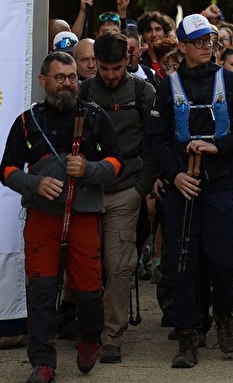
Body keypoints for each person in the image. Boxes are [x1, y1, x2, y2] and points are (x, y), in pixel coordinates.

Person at [0, 51, 122, 382]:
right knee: (41, 292)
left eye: (72, 77)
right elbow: (6, 170)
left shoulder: (94, 117)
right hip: (42, 219)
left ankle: (89, 339)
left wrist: (89, 168)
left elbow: (117, 163)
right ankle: (42, 362)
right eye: (60, 77)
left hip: (83, 217)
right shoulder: (28, 121)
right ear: (44, 82)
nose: (68, 83)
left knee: (87, 293)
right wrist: (34, 183)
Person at [149, 13, 233, 368]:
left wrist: (219, 146)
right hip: (183, 187)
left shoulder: (230, 80)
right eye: (197, 41)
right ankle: (188, 335)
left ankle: (224, 316)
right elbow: (157, 138)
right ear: (181, 46)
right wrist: (175, 175)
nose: (204, 46)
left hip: (220, 185)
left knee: (224, 260)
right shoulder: (167, 85)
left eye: (208, 40)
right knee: (183, 265)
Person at [77, 32, 157, 364]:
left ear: (129, 61)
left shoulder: (143, 91)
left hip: (126, 190)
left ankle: (111, 336)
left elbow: (155, 142)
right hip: (87, 190)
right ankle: (86, 331)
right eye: (104, 68)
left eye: (117, 67)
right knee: (85, 265)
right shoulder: (82, 91)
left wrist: (142, 188)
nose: (110, 74)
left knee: (120, 266)